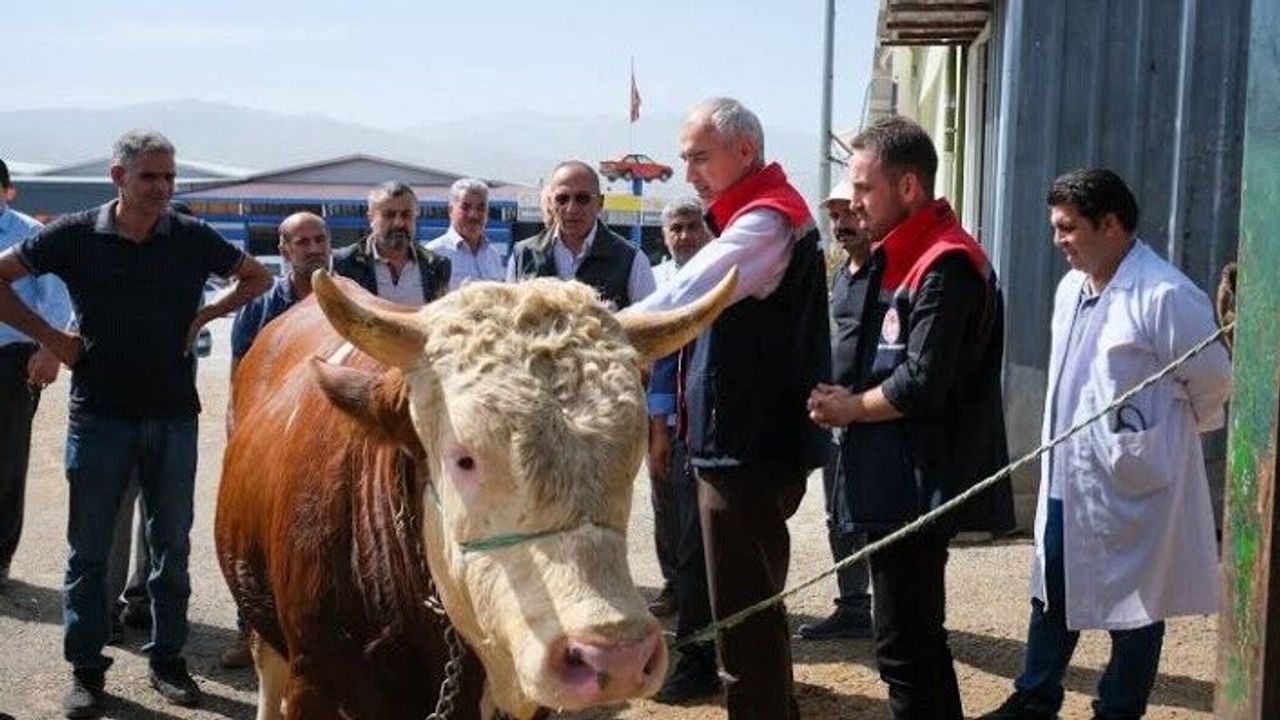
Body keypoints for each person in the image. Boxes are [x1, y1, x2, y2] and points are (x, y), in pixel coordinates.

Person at [0, 130, 273, 716]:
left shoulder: (190, 236)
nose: (162, 188)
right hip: (100, 417)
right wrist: (50, 337)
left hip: (174, 417)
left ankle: (167, 662)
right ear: (118, 177)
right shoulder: (74, 234)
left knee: (171, 550)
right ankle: (86, 669)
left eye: (169, 178)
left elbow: (258, 277)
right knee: (88, 551)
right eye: (150, 177)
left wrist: (206, 314)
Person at [981, 169, 1232, 720]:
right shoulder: (1071, 288)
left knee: (1138, 601)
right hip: (1068, 471)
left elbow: (1214, 379)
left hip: (1134, 478)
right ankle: (1035, 696)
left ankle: (1119, 709)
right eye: (1056, 228)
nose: (1058, 240)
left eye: (1068, 228)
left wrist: (1164, 434)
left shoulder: (1165, 295)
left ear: (1111, 224)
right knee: (1052, 589)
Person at [627, 97, 831, 719]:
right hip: (734, 445)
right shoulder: (756, 215)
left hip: (745, 450)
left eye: (697, 158)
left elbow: (681, 296)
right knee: (747, 608)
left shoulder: (766, 222)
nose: (688, 172)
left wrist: (586, 332)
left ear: (744, 152)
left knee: (741, 618)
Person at [807, 115, 1014, 720]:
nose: (854, 202)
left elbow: (921, 380)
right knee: (910, 641)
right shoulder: (899, 255)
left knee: (906, 645)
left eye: (865, 189)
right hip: (891, 479)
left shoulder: (945, 262)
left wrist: (851, 407)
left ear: (908, 189)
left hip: (917, 486)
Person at [211, 211, 333, 669]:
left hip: (323, 443)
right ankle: (253, 633)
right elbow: (240, 372)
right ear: (284, 251)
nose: (313, 248)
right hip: (270, 443)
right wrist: (238, 434)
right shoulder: (261, 306)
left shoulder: (346, 300)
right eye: (301, 242)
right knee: (257, 541)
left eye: (319, 239)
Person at [645, 198, 720, 704]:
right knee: (680, 536)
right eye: (677, 227)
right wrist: (658, 428)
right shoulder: (658, 283)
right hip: (679, 429)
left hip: (720, 435)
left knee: (706, 551)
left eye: (694, 226)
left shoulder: (726, 278)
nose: (686, 235)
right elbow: (662, 362)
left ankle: (704, 660)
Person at [797, 178, 874, 641]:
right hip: (838, 417)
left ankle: (890, 612)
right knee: (838, 513)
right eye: (836, 216)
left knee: (874, 514)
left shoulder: (885, 273)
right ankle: (853, 606)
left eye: (850, 213)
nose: (842, 224)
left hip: (872, 415)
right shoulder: (843, 275)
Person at [0, 158, 71, 587]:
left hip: (11, 359)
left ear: (8, 191)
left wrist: (50, 349)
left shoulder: (30, 234)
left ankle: (0, 555)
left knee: (6, 460)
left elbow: (56, 299)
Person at [507, 161, 655, 308]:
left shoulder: (631, 261)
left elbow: (649, 324)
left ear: (600, 202)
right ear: (551, 203)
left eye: (582, 198)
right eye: (562, 199)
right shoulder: (523, 255)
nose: (571, 209)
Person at [332, 181, 450, 306]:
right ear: (371, 218)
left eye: (406, 215)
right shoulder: (345, 263)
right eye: (389, 215)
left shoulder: (436, 265)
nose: (399, 223)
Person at [425, 178, 505, 290]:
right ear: (450, 210)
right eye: (465, 208)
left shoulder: (493, 255)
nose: (474, 215)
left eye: (481, 208)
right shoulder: (434, 254)